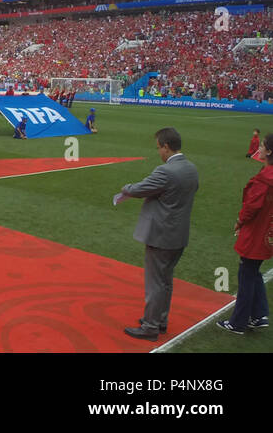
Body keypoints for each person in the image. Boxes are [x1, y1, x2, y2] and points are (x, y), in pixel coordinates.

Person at [115, 127, 199, 341]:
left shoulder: (166, 171)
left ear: (166, 147)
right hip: (178, 234)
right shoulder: (191, 168)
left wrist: (126, 187)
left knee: (155, 282)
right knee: (165, 280)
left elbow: (137, 189)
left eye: (159, 147)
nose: (158, 152)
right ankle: (159, 320)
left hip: (161, 235)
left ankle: (151, 326)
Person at [218, 133, 273, 334]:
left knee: (246, 275)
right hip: (267, 232)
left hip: (256, 233)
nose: (259, 148)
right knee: (253, 272)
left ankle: (239, 322)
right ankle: (259, 314)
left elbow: (251, 206)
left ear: (269, 151)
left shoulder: (264, 179)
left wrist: (240, 221)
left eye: (263, 146)